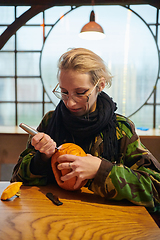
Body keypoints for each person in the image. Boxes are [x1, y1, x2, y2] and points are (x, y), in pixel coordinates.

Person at [11, 48, 160, 213]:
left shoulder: (120, 129)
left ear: (100, 85)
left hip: (107, 221)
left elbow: (155, 188)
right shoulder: (51, 122)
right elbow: (17, 180)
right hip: (54, 215)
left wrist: (101, 170)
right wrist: (42, 158)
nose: (70, 103)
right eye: (64, 92)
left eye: (81, 93)